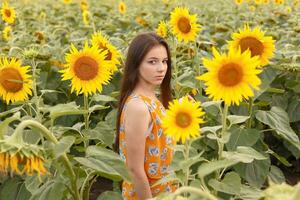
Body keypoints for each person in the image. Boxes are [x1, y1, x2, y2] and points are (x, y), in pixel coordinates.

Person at [115, 32, 177, 200]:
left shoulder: (151, 98)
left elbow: (158, 138)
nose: (161, 68)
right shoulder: (138, 107)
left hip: (164, 191)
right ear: (136, 65)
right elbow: (134, 169)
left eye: (164, 61)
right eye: (152, 62)